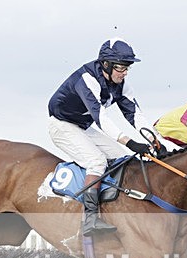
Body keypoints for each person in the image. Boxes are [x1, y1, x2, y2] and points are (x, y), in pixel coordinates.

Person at [48, 38, 161, 236]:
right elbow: (100, 118)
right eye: (120, 67)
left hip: (82, 126)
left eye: (127, 68)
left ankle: (113, 208)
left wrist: (154, 140)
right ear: (106, 64)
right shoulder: (87, 79)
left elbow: (135, 114)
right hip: (62, 125)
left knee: (120, 157)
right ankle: (89, 220)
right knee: (97, 161)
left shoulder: (121, 83)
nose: (124, 72)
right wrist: (130, 141)